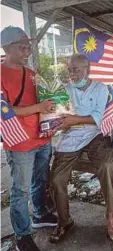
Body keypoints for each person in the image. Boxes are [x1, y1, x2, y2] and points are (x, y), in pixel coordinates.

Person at [49, 54, 113, 247]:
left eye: (76, 69)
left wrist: (74, 119)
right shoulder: (65, 90)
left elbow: (98, 118)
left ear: (88, 70)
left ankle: (111, 218)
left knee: (107, 166)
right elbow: (59, 116)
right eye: (69, 69)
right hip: (70, 138)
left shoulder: (100, 88)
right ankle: (64, 221)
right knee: (56, 179)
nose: (72, 74)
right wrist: (58, 122)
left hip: (96, 135)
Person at [1, 26, 58, 251]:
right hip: (20, 143)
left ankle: (40, 213)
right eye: (22, 47)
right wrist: (39, 106)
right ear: (7, 48)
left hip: (41, 138)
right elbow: (4, 111)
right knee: (20, 189)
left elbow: (44, 102)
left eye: (28, 47)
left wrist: (53, 111)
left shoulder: (32, 74)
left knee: (40, 181)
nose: (27, 52)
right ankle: (22, 235)